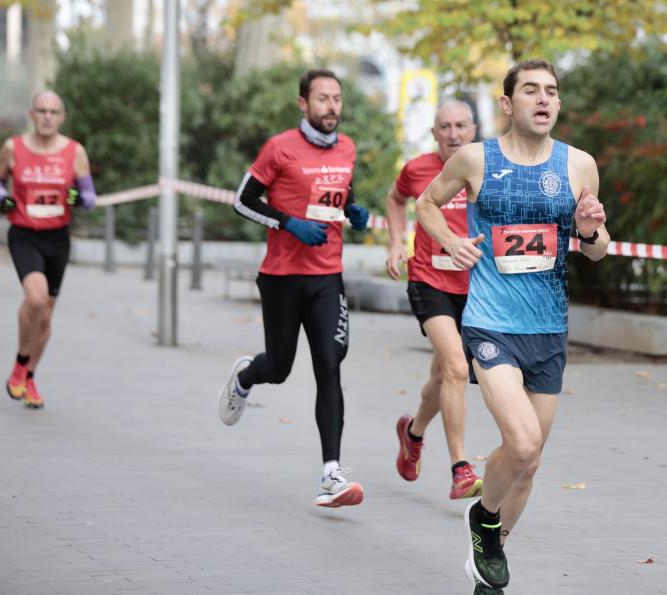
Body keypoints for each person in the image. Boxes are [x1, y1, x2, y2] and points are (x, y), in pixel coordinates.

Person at [415, 60, 609, 590]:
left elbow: (598, 249)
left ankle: (487, 564)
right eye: (531, 90)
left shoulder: (580, 166)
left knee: (530, 463)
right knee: (521, 445)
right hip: (490, 324)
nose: (544, 100)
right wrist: (449, 242)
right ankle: (484, 518)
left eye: (552, 91)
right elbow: (425, 203)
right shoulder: (475, 158)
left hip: (548, 330)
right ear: (508, 103)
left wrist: (591, 233)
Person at [218, 69, 369, 508]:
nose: (332, 107)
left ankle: (332, 474)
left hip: (327, 275)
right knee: (280, 367)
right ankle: (247, 375)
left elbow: (339, 192)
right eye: (322, 99)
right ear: (303, 103)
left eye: (337, 99)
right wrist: (289, 224)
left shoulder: (347, 147)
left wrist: (355, 211)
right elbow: (242, 200)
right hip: (283, 275)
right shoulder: (279, 148)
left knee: (329, 364)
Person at [385, 100, 483, 500]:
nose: (454, 133)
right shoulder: (418, 169)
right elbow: (395, 199)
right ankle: (461, 469)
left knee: (443, 377)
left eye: (461, 125)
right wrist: (395, 243)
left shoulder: (484, 167)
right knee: (457, 368)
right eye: (445, 126)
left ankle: (412, 433)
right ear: (434, 133)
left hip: (476, 286)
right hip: (429, 279)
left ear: (473, 130)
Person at [0, 91, 97, 409]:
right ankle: (21, 362)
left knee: (46, 317)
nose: (48, 116)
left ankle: (30, 377)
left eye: (54, 111)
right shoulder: (14, 147)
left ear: (62, 117)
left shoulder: (74, 152)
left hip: (57, 239)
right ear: (32, 114)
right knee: (35, 299)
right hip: (24, 235)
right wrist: (2, 198)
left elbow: (91, 197)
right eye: (42, 111)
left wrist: (80, 197)